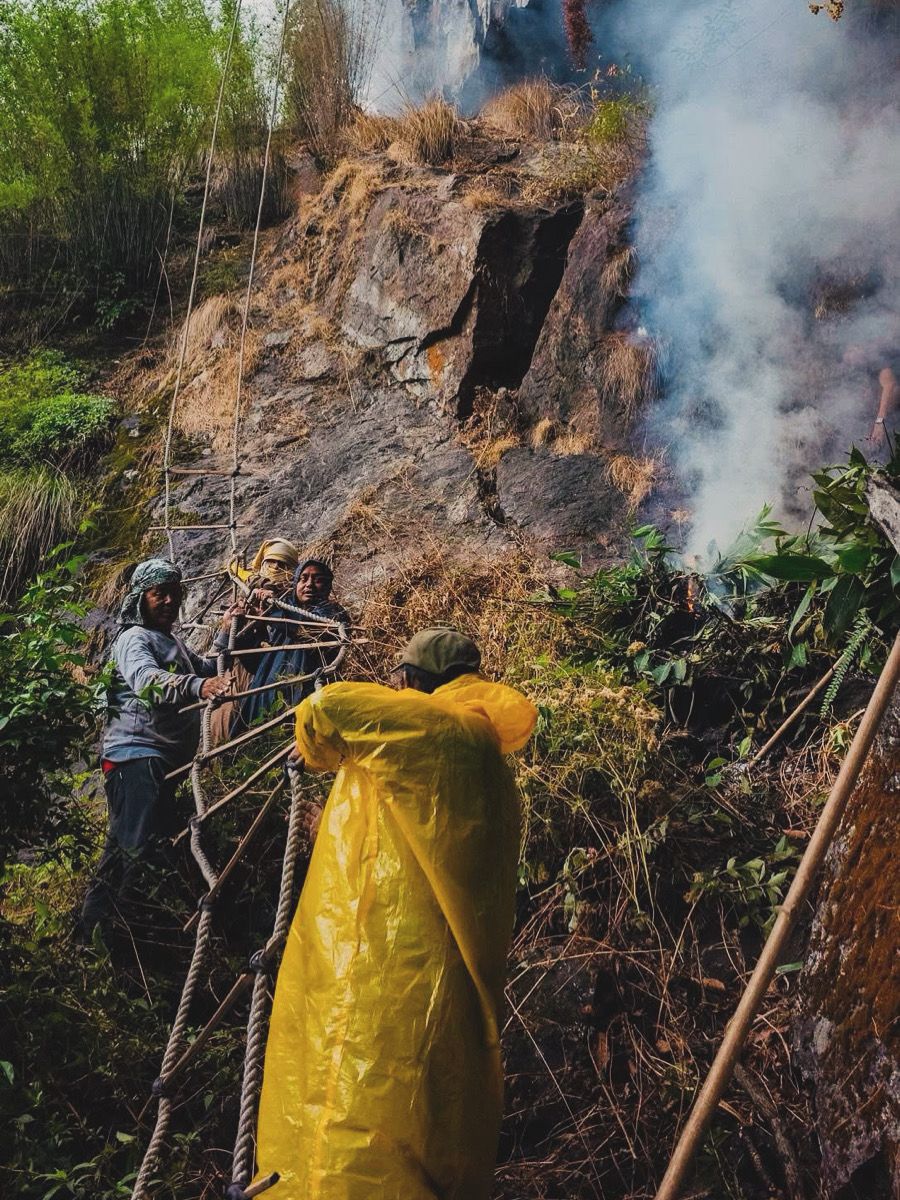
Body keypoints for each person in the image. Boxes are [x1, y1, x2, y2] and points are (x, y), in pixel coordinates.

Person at [254, 628, 537, 1200]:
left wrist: (313, 753)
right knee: (425, 1114)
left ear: (411, 682)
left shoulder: (433, 727)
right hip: (445, 977)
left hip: (385, 961)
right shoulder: (485, 758)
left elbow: (325, 708)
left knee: (352, 1110)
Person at [78, 559, 231, 940]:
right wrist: (200, 687)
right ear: (140, 599)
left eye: (173, 593)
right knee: (138, 847)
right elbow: (148, 681)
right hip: (135, 756)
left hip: (155, 762)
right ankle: (115, 938)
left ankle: (92, 935)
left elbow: (206, 668)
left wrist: (230, 633)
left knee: (126, 846)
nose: (167, 601)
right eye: (157, 593)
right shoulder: (134, 640)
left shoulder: (172, 641)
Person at [215, 557, 350, 734]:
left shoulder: (334, 615)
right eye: (303, 579)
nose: (309, 584)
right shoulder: (282, 623)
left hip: (297, 705)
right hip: (261, 704)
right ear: (295, 584)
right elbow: (258, 664)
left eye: (317, 580)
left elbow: (306, 628)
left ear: (327, 587)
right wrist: (245, 632)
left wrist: (273, 607)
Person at [210, 537, 301, 743]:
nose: (276, 567)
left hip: (272, 673)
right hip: (241, 673)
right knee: (225, 723)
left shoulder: (294, 598)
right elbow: (236, 569)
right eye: (271, 562)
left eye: (283, 564)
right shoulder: (251, 590)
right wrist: (260, 585)